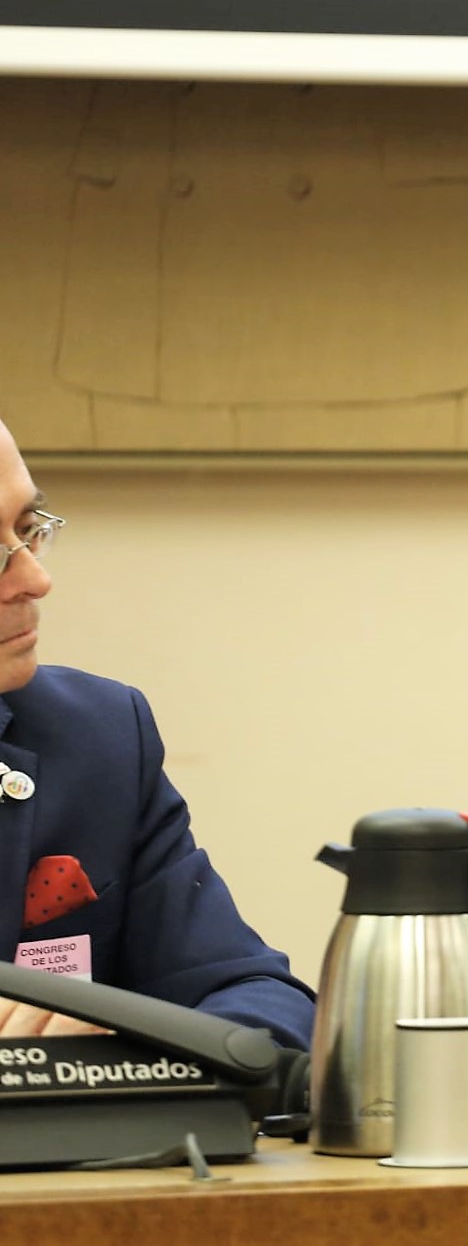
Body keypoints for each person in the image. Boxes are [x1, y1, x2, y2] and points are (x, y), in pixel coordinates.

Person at [0, 417, 315, 1048]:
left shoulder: (93, 736)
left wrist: (113, 1056)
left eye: (28, 530)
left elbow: (259, 1002)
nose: (35, 579)